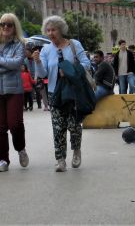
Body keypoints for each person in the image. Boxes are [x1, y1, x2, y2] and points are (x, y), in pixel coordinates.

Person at [33, 15, 91, 172]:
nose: (51, 33)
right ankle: (60, 159)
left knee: (74, 126)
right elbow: (43, 73)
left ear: (61, 30)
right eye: (48, 30)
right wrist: (37, 62)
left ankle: (76, 150)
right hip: (54, 92)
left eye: (54, 29)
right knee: (58, 127)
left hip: (73, 92)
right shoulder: (45, 50)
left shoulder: (74, 45)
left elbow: (86, 64)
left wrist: (69, 71)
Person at [0, 13, 29, 172]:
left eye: (9, 24)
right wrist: (5, 67)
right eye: (2, 24)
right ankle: (3, 160)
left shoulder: (19, 43)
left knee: (15, 124)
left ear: (15, 26)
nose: (6, 27)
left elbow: (17, 63)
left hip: (14, 90)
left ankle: (20, 148)